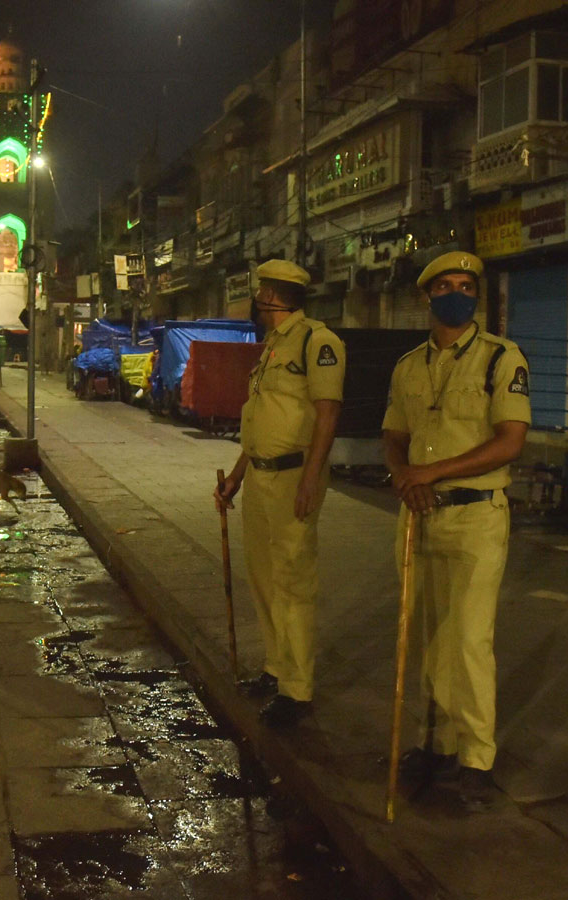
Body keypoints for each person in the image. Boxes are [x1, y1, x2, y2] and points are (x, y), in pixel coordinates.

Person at [381, 250, 531, 812]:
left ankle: (476, 759)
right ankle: (437, 745)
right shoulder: (408, 366)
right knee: (425, 637)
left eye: (466, 285)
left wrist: (434, 472)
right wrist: (405, 477)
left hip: (476, 515)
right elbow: (395, 434)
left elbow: (510, 439)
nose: (456, 292)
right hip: (419, 512)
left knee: (468, 639)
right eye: (445, 284)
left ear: (476, 296)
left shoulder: (500, 358)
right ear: (427, 296)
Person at [213, 259, 346, 729]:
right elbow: (260, 420)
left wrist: (312, 478)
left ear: (272, 295)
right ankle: (276, 667)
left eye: (261, 290)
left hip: (294, 478)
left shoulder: (317, 342)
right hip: (260, 478)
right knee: (264, 578)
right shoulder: (271, 347)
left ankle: (298, 688)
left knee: (293, 582)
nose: (257, 299)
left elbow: (327, 415)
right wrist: (237, 475)